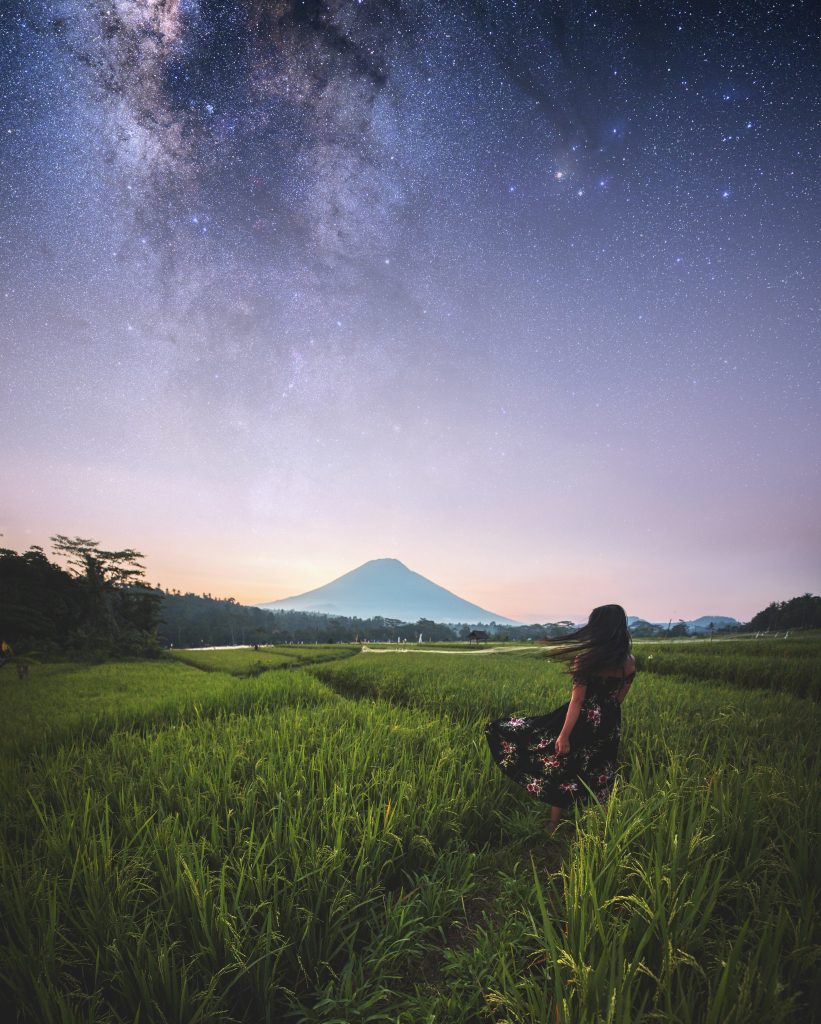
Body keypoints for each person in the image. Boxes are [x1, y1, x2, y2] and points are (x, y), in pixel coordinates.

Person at [484, 604, 637, 833]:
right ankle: (601, 826)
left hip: (582, 721)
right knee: (601, 770)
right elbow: (618, 698)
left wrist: (564, 736)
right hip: (609, 724)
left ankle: (553, 825)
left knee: (563, 767)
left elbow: (577, 702)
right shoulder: (629, 661)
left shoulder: (586, 660)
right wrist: (604, 715)